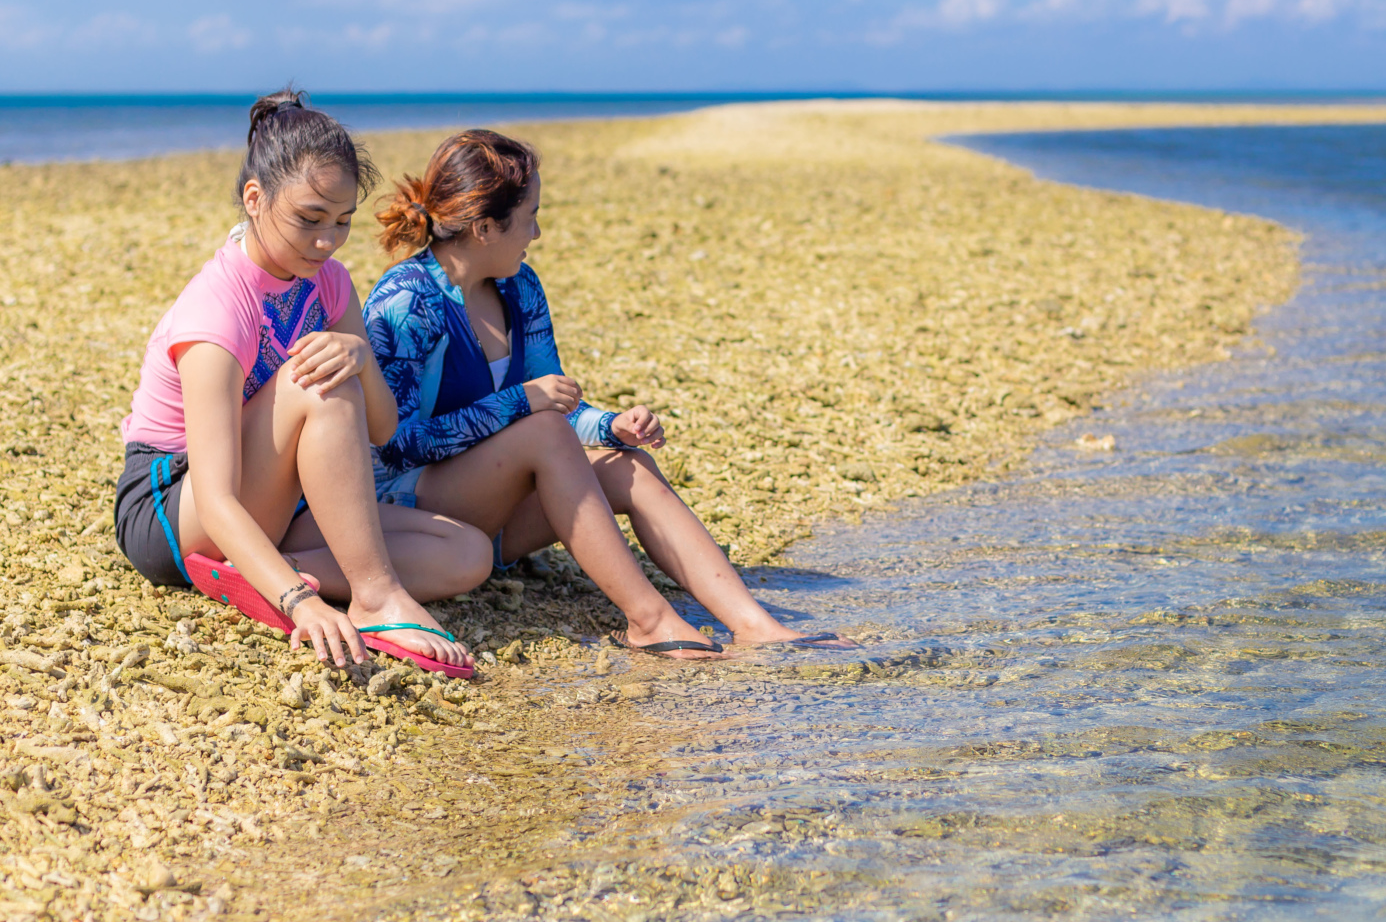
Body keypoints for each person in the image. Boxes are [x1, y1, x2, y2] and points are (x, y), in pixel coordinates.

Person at [365, 128, 851, 655]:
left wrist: (610, 426)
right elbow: (397, 444)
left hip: (497, 506)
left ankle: (755, 625)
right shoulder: (406, 301)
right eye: (530, 216)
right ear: (485, 226)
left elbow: (554, 405)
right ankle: (648, 620)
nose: (538, 231)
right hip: (417, 514)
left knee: (628, 465)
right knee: (544, 430)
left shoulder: (520, 286)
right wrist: (518, 402)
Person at [113, 89, 488, 673]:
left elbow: (385, 428)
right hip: (174, 508)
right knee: (317, 380)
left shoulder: (330, 283)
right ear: (255, 198)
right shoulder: (218, 307)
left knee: (466, 553)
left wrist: (362, 357)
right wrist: (300, 601)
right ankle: (374, 597)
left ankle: (260, 569)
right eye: (309, 220)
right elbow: (215, 496)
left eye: (341, 223)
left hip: (272, 498)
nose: (326, 241)